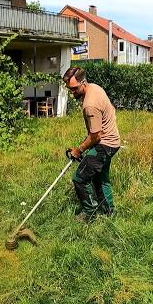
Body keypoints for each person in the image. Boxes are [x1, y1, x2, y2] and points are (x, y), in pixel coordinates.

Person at [62, 67, 120, 222]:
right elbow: (111, 110)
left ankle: (90, 214)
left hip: (104, 145)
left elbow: (95, 135)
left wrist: (78, 150)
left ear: (83, 83)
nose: (72, 93)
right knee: (101, 179)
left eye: (74, 89)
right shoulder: (95, 88)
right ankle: (109, 213)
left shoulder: (90, 104)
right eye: (70, 89)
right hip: (112, 142)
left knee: (80, 178)